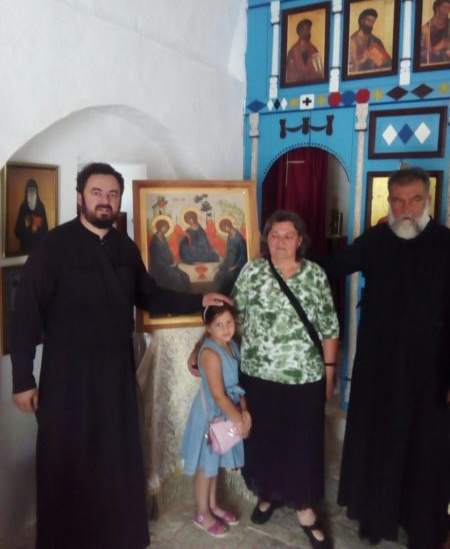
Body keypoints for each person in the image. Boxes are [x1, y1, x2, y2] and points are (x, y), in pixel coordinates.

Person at [10, 162, 231, 549]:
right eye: (96, 193)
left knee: (114, 454)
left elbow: (150, 295)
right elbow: (25, 313)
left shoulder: (124, 247)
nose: (105, 201)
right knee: (66, 456)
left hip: (114, 372)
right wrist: (22, 380)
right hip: (67, 375)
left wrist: (199, 301)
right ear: (80, 197)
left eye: (112, 194)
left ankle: (116, 535)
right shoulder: (53, 247)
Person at [194, 210, 338, 549]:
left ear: (300, 240)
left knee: (303, 443)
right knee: (264, 440)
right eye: (274, 235)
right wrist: (202, 346)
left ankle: (305, 509)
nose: (280, 242)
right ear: (266, 240)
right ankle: (268, 494)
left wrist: (330, 372)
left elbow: (330, 327)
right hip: (258, 375)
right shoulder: (253, 271)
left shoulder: (315, 275)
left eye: (288, 235)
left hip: (304, 376)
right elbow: (229, 318)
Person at [322, 167, 450, 549]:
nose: (406, 209)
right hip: (379, 367)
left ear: (427, 200)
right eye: (398, 200)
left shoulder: (447, 243)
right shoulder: (376, 240)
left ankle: (420, 526)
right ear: (389, 201)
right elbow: (330, 267)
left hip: (432, 370)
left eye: (414, 200)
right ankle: (376, 518)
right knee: (377, 441)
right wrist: (280, 260)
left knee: (424, 450)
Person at [181, 304, 251, 538]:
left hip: (227, 411)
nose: (226, 328)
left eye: (229, 322)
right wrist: (239, 420)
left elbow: (238, 384)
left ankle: (212, 505)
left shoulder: (232, 345)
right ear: (208, 328)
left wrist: (244, 409)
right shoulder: (210, 354)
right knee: (205, 465)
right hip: (211, 415)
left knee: (214, 463)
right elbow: (219, 395)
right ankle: (202, 513)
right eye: (219, 325)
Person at [149, 216, 191, 292]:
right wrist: (169, 265)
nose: (166, 229)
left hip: (169, 265)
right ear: (159, 227)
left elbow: (168, 253)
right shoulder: (155, 242)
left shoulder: (163, 238)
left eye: (167, 227)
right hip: (160, 268)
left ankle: (187, 296)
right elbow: (157, 261)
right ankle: (177, 296)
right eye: (164, 227)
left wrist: (173, 261)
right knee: (177, 277)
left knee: (185, 276)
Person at [348, 8, 392, 73]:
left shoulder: (376, 41)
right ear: (362, 21)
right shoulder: (352, 41)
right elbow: (349, 68)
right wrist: (363, 59)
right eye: (369, 20)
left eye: (373, 22)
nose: (371, 24)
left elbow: (388, 64)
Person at [213, 218, 247, 295]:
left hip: (237, 265)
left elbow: (243, 254)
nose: (225, 230)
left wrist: (236, 266)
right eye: (223, 229)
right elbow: (229, 253)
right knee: (218, 276)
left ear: (228, 225)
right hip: (229, 262)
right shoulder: (230, 236)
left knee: (228, 278)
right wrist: (221, 264)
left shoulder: (239, 238)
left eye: (225, 228)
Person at [14, 178, 49, 253]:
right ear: (26, 192)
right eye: (30, 191)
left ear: (37, 192)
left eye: (34, 191)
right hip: (24, 249)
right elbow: (17, 232)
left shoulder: (40, 207)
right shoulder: (23, 207)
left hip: (37, 249)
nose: (32, 194)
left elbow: (45, 231)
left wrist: (36, 228)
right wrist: (26, 226)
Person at [286, 19, 324, 83]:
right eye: (305, 29)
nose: (308, 32)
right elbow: (290, 75)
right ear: (300, 31)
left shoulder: (314, 50)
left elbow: (320, 72)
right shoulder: (292, 51)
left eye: (309, 29)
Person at [420, 0, 450, 66]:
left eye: (449, 8)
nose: (446, 11)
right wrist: (436, 48)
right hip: (432, 67)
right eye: (444, 7)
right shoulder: (425, 29)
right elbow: (419, 55)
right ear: (437, 8)